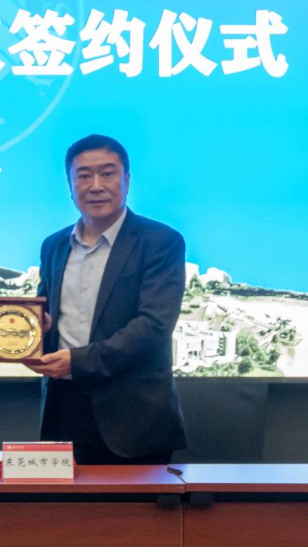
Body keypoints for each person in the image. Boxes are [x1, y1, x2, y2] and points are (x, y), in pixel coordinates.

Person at [29, 134, 187, 464]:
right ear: (70, 185)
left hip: (134, 420)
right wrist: (32, 334)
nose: (96, 186)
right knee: (59, 501)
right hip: (62, 410)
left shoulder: (160, 241)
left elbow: (153, 326)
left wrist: (78, 361)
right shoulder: (54, 246)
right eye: (84, 175)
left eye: (107, 173)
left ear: (127, 181)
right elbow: (45, 315)